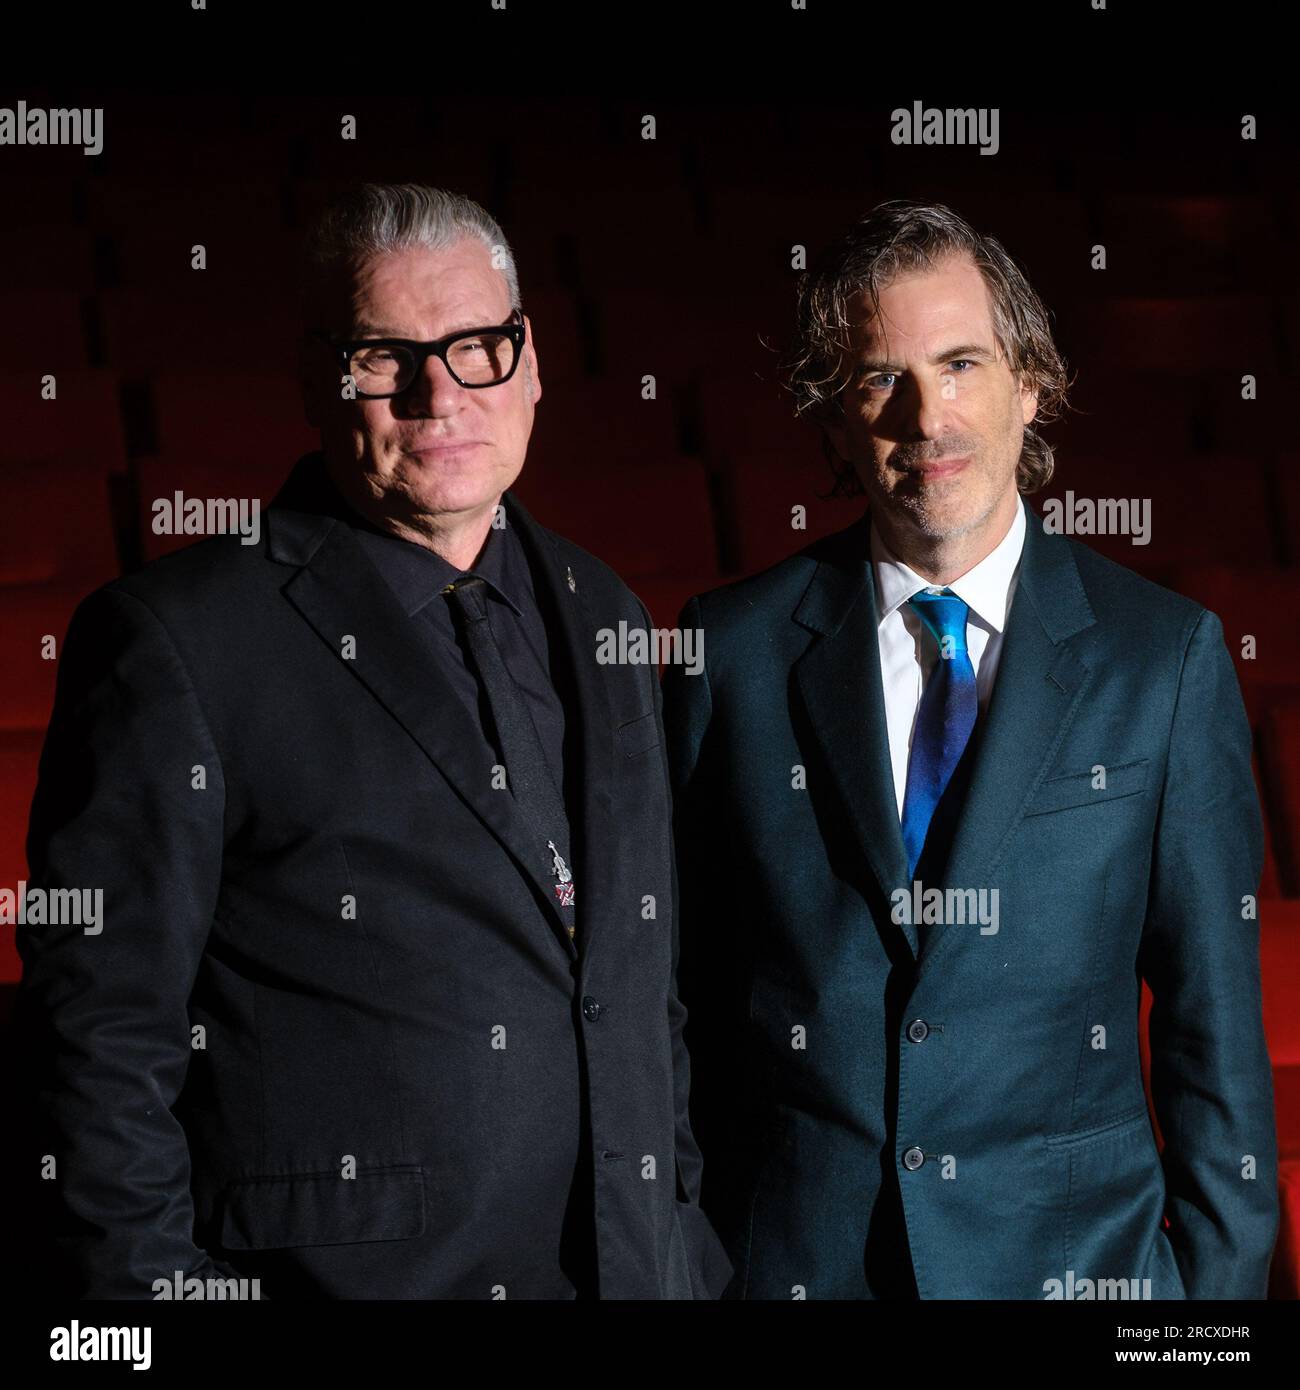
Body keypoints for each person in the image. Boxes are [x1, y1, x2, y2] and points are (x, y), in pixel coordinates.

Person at [15, 182, 730, 1300]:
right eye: (384, 355)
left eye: (477, 347)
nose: (439, 394)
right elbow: (98, 1039)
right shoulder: (174, 642)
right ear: (319, 378)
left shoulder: (608, 613)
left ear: (530, 359)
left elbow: (643, 987)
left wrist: (682, 1238)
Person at [662, 199, 1278, 1300]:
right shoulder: (729, 651)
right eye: (878, 378)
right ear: (837, 421)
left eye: (959, 364)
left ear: (1029, 383)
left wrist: (1205, 1313)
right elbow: (674, 998)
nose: (926, 416)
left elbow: (1211, 1032)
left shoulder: (1163, 661)